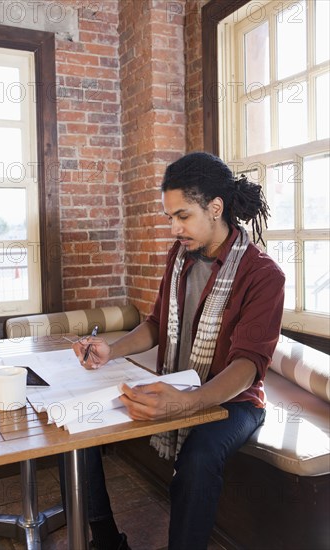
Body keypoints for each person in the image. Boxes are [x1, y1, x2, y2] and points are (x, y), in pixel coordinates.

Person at [72, 152, 285, 550]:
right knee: (81, 422)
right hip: (177, 383)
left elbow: (247, 366)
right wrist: (111, 350)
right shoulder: (180, 255)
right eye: (170, 217)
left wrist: (186, 405)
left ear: (215, 207)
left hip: (234, 401)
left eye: (182, 216)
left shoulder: (262, 274)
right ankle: (104, 538)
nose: (174, 228)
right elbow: (155, 324)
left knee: (198, 459)